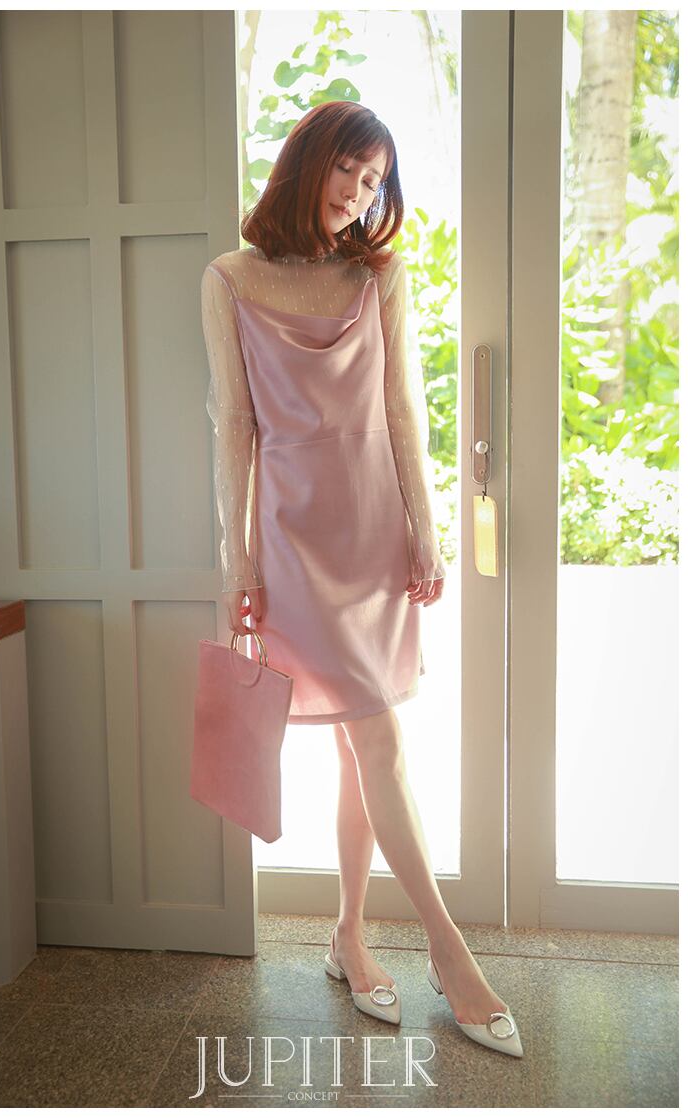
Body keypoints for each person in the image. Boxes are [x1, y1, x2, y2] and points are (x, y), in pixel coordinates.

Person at [200, 101, 522, 1059]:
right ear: (309, 161)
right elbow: (235, 426)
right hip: (293, 540)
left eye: (376, 179)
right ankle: (449, 952)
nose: (359, 192)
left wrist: (425, 529)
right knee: (376, 740)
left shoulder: (378, 274)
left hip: (373, 528)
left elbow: (402, 410)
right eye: (349, 168)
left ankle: (348, 935)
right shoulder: (230, 278)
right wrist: (237, 559)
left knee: (360, 746)